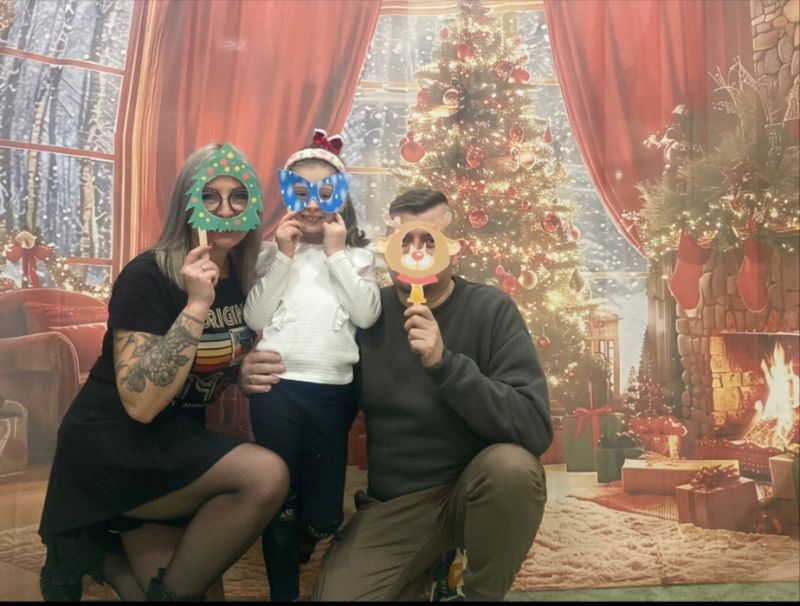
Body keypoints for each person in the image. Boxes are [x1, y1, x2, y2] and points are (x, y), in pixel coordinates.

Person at [240, 187, 552, 602]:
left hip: (476, 489)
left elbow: (533, 428)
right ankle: (430, 570)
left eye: (430, 241)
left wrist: (445, 364)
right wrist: (253, 372)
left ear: (454, 251)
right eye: (406, 241)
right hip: (398, 505)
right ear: (387, 249)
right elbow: (322, 390)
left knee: (513, 468)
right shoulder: (366, 313)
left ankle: (476, 593)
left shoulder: (491, 309)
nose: (416, 251)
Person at [38, 143, 290, 602]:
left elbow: (210, 359)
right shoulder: (149, 275)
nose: (225, 210)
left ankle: (99, 556)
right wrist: (196, 305)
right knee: (265, 474)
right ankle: (95, 541)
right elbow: (141, 404)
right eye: (210, 196)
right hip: (114, 447)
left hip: (176, 444)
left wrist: (239, 371)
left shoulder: (244, 276)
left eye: (239, 197)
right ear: (186, 203)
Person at [243, 129, 381, 602]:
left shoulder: (358, 257)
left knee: (323, 510)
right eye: (300, 192)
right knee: (279, 494)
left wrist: (337, 255)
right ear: (287, 194)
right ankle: (282, 585)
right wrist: (282, 257)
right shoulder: (272, 254)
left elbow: (367, 315)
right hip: (276, 391)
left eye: (325, 192)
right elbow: (255, 318)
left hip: (333, 392)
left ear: (342, 196)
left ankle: (311, 530)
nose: (313, 205)